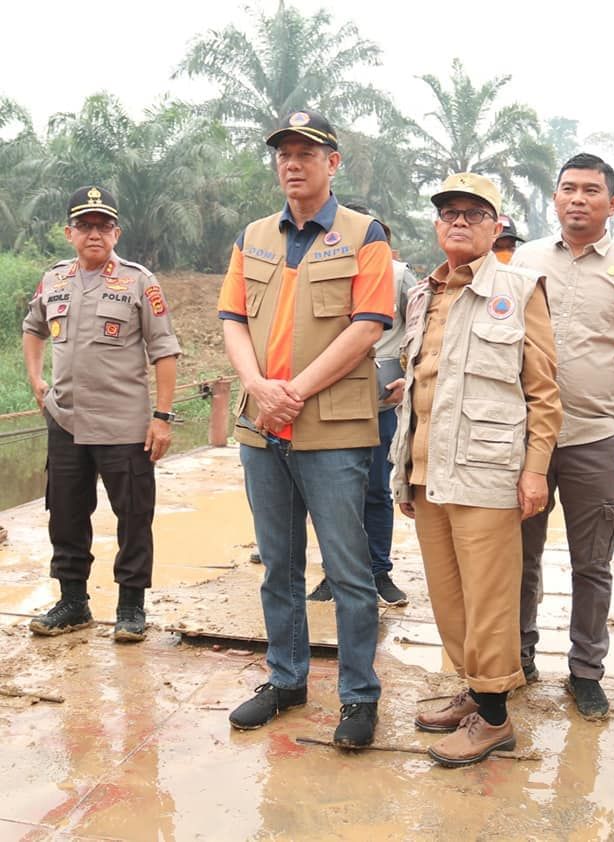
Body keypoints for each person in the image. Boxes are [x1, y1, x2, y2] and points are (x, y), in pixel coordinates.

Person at [217, 110, 394, 747]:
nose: (293, 163)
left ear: (332, 163)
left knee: (349, 572)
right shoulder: (254, 235)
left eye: (307, 153)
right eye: (284, 154)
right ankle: (287, 679)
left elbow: (368, 325)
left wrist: (294, 391)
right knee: (279, 567)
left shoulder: (364, 234)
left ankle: (358, 697)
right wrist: (261, 388)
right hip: (263, 428)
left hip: (333, 430)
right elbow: (234, 319)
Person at [390, 172, 562, 766]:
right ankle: (473, 691)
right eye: (448, 213)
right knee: (448, 596)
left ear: (495, 226)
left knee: (489, 597)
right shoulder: (422, 293)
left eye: (472, 213)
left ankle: (494, 720)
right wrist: (402, 472)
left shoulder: (519, 287)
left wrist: (535, 469)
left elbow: (543, 391)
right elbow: (421, 382)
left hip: (488, 471)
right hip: (427, 471)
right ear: (438, 225)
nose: (458, 221)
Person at [512, 153, 614, 719]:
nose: (578, 199)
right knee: (519, 556)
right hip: (526, 438)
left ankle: (585, 671)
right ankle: (520, 654)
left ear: (612, 203)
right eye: (568, 189)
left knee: (592, 562)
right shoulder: (525, 261)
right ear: (555, 198)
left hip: (595, 437)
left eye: (591, 191)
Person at [22, 186, 181, 643]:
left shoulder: (138, 281)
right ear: (69, 232)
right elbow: (33, 329)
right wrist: (36, 379)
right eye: (86, 225)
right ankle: (73, 602)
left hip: (123, 424)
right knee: (66, 513)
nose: (95, 233)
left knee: (133, 515)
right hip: (65, 419)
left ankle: (131, 606)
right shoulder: (53, 280)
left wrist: (163, 416)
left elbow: (165, 350)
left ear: (117, 232)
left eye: (104, 226)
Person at [308, 206, 415, 606]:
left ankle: (378, 571)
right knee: (328, 493)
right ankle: (334, 573)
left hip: (379, 401)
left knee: (374, 491)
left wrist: (411, 376)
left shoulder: (399, 275)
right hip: (328, 399)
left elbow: (418, 327)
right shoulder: (319, 270)